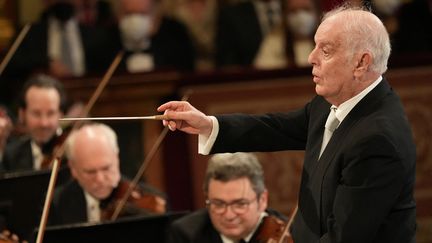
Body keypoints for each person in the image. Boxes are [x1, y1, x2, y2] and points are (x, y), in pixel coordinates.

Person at [158, 4, 416, 243]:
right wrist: (208, 125)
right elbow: (277, 128)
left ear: (362, 63)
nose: (311, 58)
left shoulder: (378, 139)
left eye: (325, 51)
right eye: (315, 46)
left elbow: (344, 238)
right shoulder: (333, 100)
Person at [48, 123, 167, 225]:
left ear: (116, 159)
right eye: (90, 172)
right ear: (73, 169)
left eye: (106, 168)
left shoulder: (152, 201)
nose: (100, 179)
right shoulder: (55, 203)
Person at [167, 152, 287, 243]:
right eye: (218, 204)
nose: (229, 215)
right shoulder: (186, 234)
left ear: (262, 200)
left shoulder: (289, 233)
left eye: (240, 204)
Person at [0, 74, 67, 173]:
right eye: (36, 113)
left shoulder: (72, 153)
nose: (44, 123)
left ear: (61, 114)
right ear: (22, 114)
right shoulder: (10, 155)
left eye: (51, 113)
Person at [112, 0, 196, 73]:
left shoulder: (175, 34)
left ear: (157, 14)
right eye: (128, 14)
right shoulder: (108, 41)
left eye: (142, 14)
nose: (134, 21)